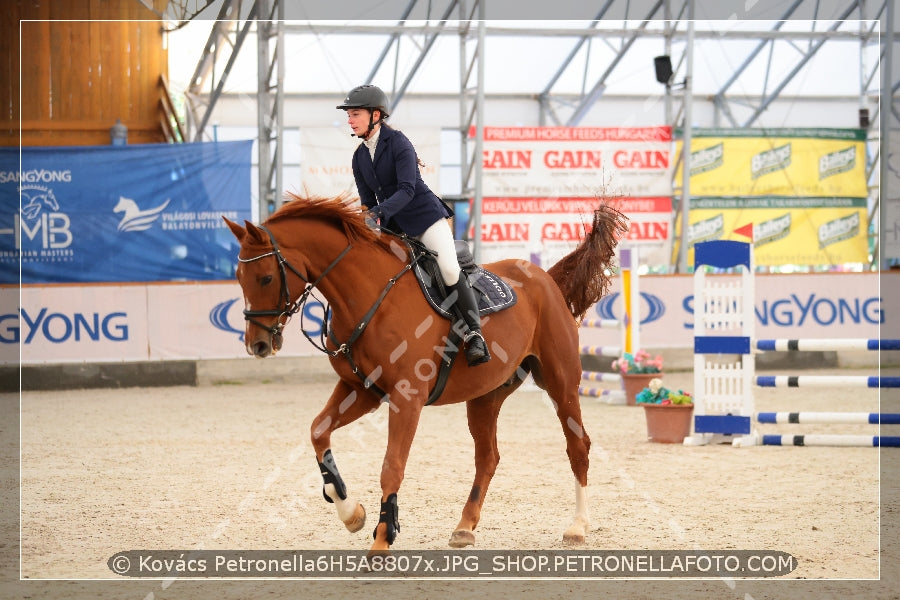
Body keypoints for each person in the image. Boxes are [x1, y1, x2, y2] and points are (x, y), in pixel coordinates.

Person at [336, 84, 490, 366]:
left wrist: (378, 213)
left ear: (376, 115)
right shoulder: (359, 157)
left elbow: (407, 190)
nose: (350, 120)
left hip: (425, 218)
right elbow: (368, 201)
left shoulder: (398, 143)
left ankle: (474, 334)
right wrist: (364, 221)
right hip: (394, 227)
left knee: (447, 267)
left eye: (355, 114)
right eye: (349, 115)